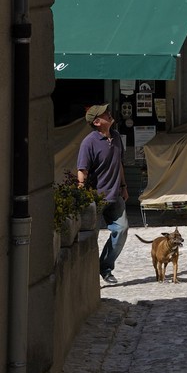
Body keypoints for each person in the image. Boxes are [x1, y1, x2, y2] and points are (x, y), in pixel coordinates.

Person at [77, 103, 129, 286]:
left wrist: (123, 186)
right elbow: (82, 169)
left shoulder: (115, 137)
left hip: (115, 196)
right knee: (92, 238)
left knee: (121, 230)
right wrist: (82, 193)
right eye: (105, 114)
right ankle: (88, 276)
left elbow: (119, 163)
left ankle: (105, 267)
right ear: (97, 122)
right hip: (96, 198)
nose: (109, 114)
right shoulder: (89, 142)